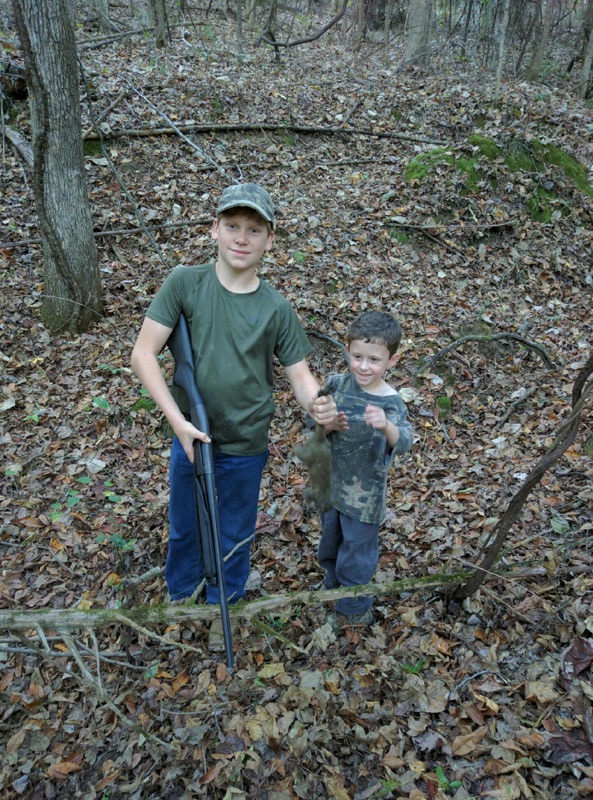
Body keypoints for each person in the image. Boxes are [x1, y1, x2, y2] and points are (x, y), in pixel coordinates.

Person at [131, 182, 337, 651]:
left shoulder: (276, 308)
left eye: (254, 230)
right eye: (232, 226)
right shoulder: (185, 283)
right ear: (214, 230)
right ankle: (182, 601)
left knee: (235, 531)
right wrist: (178, 422)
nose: (241, 238)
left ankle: (226, 601)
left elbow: (301, 378)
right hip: (190, 436)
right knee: (185, 526)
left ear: (270, 240)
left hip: (246, 444)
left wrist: (318, 405)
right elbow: (143, 355)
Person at [316, 310, 413, 633]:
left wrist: (386, 426)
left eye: (374, 360)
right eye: (357, 356)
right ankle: (334, 589)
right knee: (330, 544)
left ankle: (354, 609)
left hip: (365, 499)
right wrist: (327, 426)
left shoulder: (391, 402)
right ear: (347, 350)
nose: (363, 366)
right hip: (331, 488)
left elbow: (405, 441)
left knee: (357, 553)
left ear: (391, 361)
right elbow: (314, 428)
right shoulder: (336, 385)